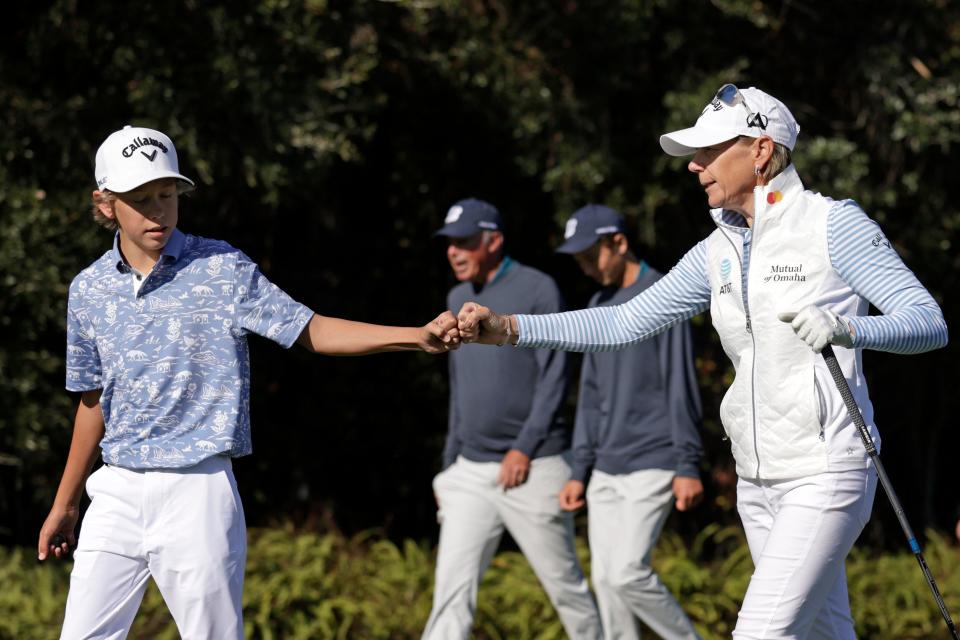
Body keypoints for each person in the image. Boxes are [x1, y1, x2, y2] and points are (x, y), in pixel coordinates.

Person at [455, 85, 948, 639]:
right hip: (757, 481)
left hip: (826, 470)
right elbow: (622, 323)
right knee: (824, 633)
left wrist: (848, 327)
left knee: (759, 632)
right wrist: (508, 329)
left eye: (709, 151)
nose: (694, 166)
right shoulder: (716, 249)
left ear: (760, 151)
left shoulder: (832, 224)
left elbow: (929, 323)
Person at [37, 125, 460, 639]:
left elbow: (313, 330)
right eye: (140, 199)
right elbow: (92, 403)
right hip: (116, 490)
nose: (158, 211)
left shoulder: (221, 268)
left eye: (167, 195)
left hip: (198, 489)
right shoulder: (89, 290)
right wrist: (65, 503)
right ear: (106, 205)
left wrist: (417, 337)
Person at [422, 198, 602, 640]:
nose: (454, 251)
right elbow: (459, 387)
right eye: (449, 243)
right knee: (449, 595)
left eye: (464, 242)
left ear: (493, 240)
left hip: (534, 466)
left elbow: (555, 377)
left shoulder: (539, 289)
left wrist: (524, 446)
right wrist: (449, 465)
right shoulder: (456, 298)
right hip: (470, 470)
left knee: (568, 591)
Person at [555, 204, 703, 640]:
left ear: (618, 242)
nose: (583, 267)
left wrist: (688, 464)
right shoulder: (599, 303)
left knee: (625, 573)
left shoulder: (663, 294)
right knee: (605, 583)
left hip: (653, 461)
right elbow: (592, 396)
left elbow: (681, 382)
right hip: (605, 469)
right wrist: (579, 470)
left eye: (589, 255)